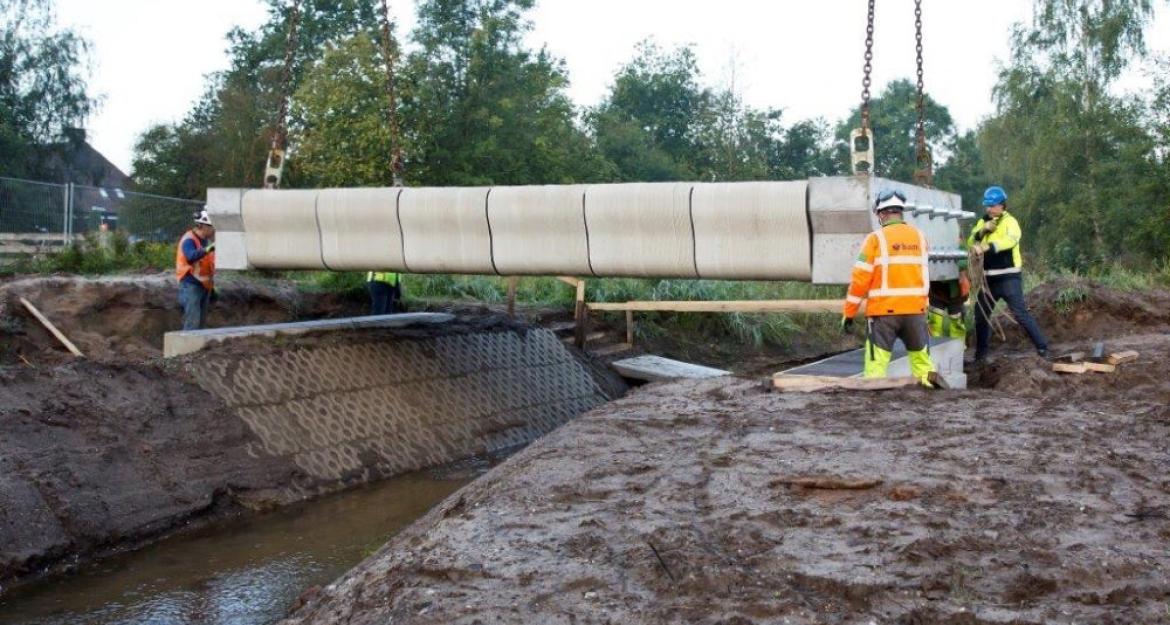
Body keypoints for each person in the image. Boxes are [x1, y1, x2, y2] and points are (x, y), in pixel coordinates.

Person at [841, 189, 944, 388]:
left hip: (884, 314)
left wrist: (849, 313)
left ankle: (874, 410)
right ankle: (932, 407)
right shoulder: (920, 237)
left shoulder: (875, 239)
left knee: (876, 368)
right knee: (923, 366)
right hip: (915, 312)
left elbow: (860, 280)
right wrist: (925, 310)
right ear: (900, 212)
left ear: (881, 214)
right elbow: (923, 277)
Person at [968, 186, 1049, 361]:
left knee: (1019, 313)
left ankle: (1043, 348)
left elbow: (1011, 240)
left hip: (1008, 277)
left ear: (1001, 205)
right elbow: (970, 241)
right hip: (988, 279)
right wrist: (981, 232)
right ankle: (980, 356)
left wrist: (989, 246)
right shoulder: (983, 222)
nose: (988, 209)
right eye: (987, 206)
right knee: (981, 315)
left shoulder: (1010, 222)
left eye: (991, 205)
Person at [176, 209, 216, 331]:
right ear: (202, 226)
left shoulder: (206, 241)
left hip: (204, 285)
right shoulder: (189, 239)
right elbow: (190, 256)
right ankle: (186, 349)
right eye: (212, 227)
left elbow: (209, 264)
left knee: (200, 324)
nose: (214, 230)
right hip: (191, 284)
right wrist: (209, 248)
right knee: (192, 323)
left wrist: (213, 287)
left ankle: (197, 349)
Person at [927, 234, 970, 340]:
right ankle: (933, 346)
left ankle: (959, 348)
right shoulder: (935, 247)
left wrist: (958, 267)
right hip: (937, 291)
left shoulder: (962, 248)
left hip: (956, 293)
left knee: (957, 322)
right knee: (934, 321)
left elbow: (965, 261)